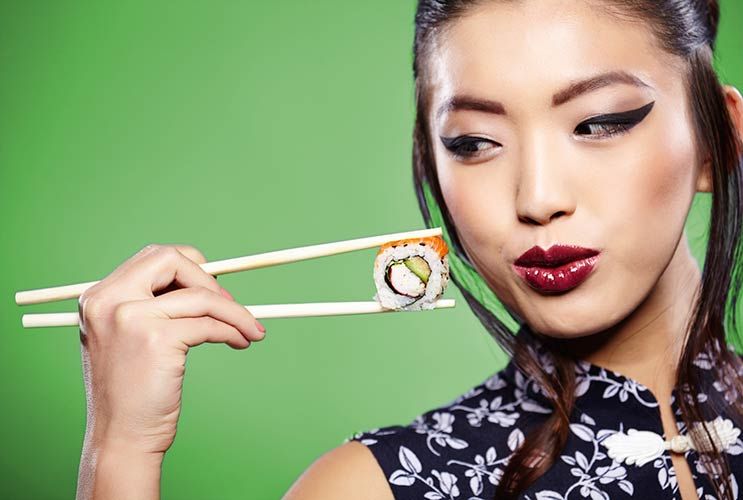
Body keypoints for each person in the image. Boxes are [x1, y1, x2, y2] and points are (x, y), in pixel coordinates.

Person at [74, 0, 743, 499]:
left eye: (598, 123)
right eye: (473, 142)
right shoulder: (373, 488)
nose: (537, 198)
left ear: (718, 139)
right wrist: (121, 449)